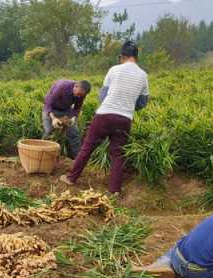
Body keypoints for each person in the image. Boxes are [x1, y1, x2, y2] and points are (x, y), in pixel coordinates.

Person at [60, 41, 149, 195]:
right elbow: (142, 102)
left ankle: (71, 178)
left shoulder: (114, 70)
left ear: (122, 56)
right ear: (136, 57)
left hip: (105, 114)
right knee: (118, 154)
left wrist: (110, 105)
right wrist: (127, 105)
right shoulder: (143, 75)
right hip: (125, 118)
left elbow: (103, 96)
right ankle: (114, 190)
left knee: (87, 147)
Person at [42, 79, 91, 159]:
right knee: (48, 131)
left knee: (74, 133)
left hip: (66, 110)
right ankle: (43, 156)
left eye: (81, 95)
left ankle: (77, 159)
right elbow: (48, 103)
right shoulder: (62, 87)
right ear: (75, 86)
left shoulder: (81, 93)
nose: (79, 96)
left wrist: (74, 118)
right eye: (78, 94)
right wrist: (53, 118)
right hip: (51, 109)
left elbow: (77, 107)